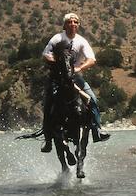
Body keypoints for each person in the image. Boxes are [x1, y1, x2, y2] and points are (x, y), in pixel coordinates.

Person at [40, 12, 111, 152]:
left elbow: (92, 59)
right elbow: (46, 54)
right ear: (65, 24)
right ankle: (47, 140)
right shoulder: (57, 38)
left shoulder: (81, 41)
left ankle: (97, 130)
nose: (73, 24)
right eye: (70, 22)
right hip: (57, 77)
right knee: (48, 104)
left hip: (75, 77)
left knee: (93, 100)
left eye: (75, 22)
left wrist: (79, 68)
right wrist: (60, 63)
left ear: (78, 25)